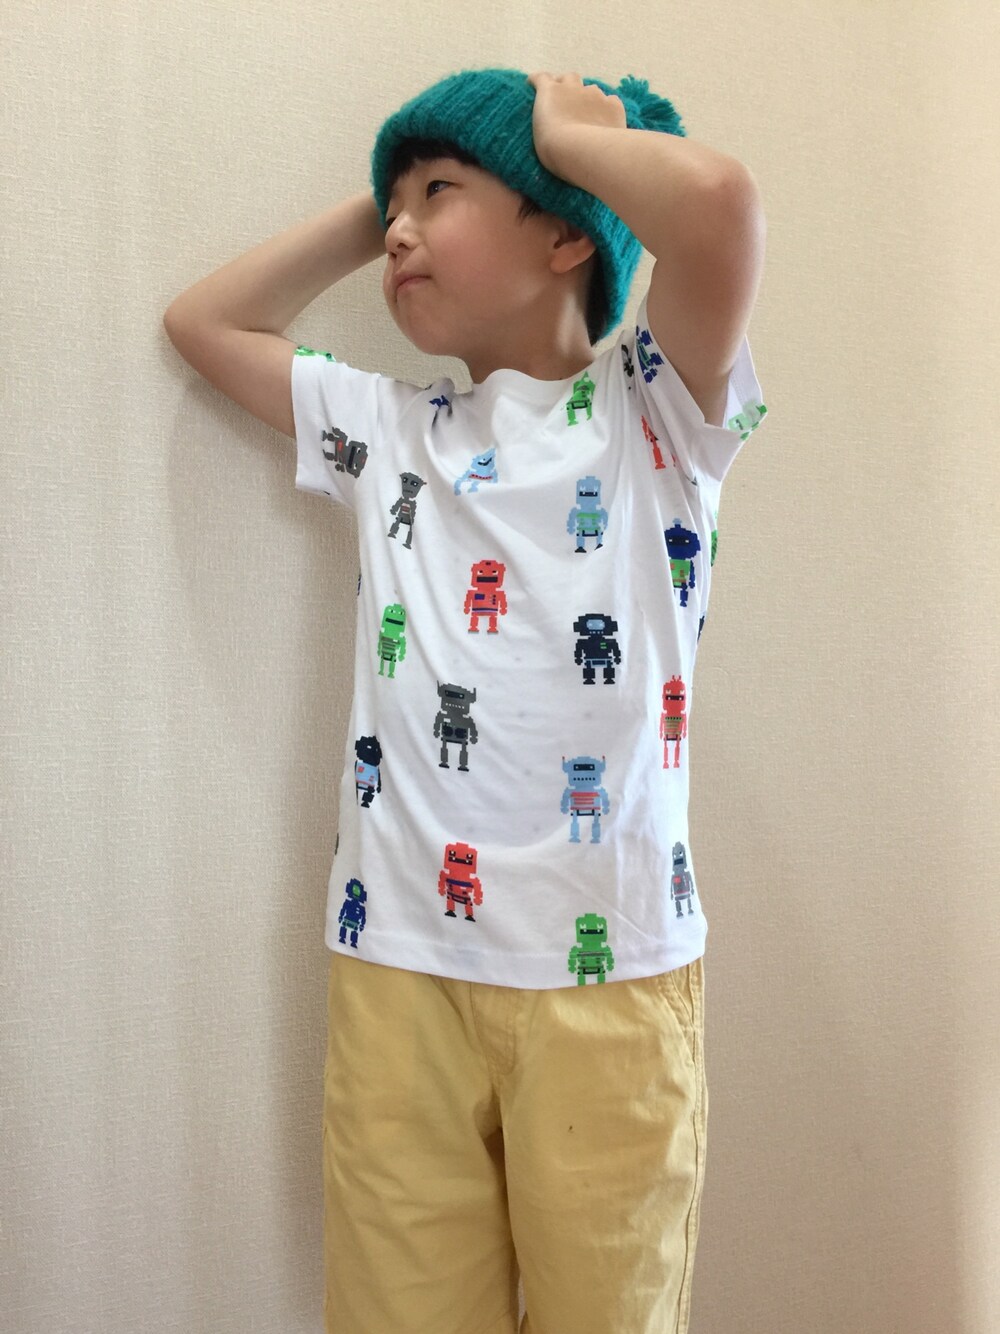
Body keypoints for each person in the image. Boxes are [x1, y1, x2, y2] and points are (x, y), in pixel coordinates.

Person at [164, 65, 768, 1334]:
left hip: (608, 975)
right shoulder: (395, 430)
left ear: (565, 234)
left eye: (439, 192)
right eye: (394, 207)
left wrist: (558, 140)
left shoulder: (657, 414)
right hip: (399, 963)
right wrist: (388, 197)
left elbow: (716, 204)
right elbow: (205, 322)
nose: (398, 230)